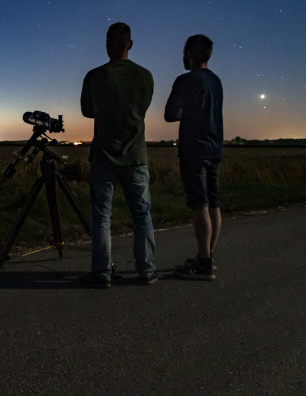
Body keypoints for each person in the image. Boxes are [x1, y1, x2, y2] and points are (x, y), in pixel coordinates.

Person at [79, 22, 157, 288]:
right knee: (142, 216)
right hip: (135, 155)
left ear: (107, 44)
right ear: (130, 45)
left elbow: (87, 111)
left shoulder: (95, 76)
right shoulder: (145, 76)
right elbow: (143, 107)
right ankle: (146, 270)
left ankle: (102, 274)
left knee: (102, 217)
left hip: (103, 155)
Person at [164, 34, 223, 280]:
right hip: (214, 148)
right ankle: (206, 257)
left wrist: (185, 111)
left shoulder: (185, 80)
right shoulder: (216, 81)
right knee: (214, 204)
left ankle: (204, 264)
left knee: (200, 206)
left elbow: (170, 114)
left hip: (193, 150)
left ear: (189, 53)